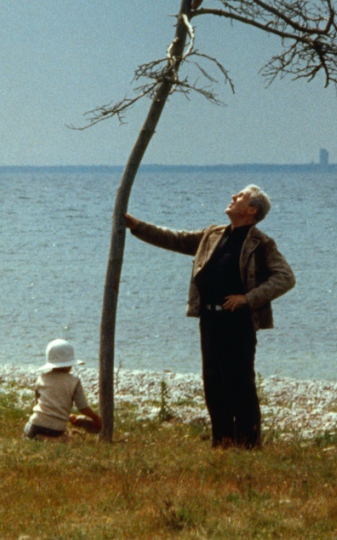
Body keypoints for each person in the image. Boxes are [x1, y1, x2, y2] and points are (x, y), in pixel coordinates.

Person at [125, 184, 295, 448]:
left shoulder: (260, 243)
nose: (232, 197)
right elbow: (175, 239)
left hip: (237, 321)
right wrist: (136, 226)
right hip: (209, 319)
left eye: (239, 197)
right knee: (214, 385)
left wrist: (248, 299)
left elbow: (285, 277)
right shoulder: (212, 234)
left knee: (240, 384)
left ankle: (249, 445)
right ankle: (223, 443)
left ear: (251, 210)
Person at [24, 339, 102, 440]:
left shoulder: (42, 378)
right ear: (70, 364)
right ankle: (54, 439)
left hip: (35, 424)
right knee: (65, 437)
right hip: (56, 429)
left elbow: (40, 404)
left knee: (28, 430)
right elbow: (83, 407)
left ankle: (35, 437)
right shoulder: (74, 381)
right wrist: (95, 418)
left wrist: (66, 415)